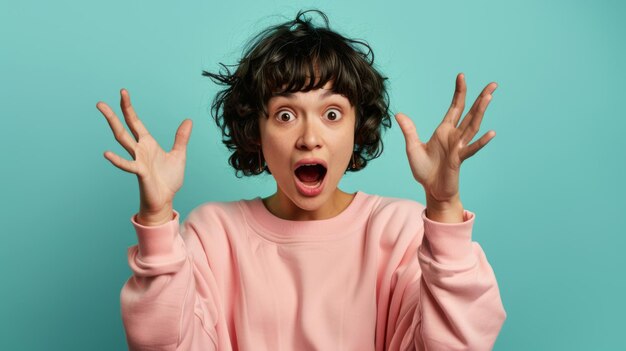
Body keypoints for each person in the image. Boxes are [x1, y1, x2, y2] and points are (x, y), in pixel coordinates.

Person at [97, 9, 506, 351]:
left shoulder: (400, 231)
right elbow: (164, 343)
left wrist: (444, 210)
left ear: (356, 129)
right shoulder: (212, 234)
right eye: (286, 115)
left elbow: (459, 342)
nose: (310, 138)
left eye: (331, 114)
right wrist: (155, 217)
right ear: (256, 132)